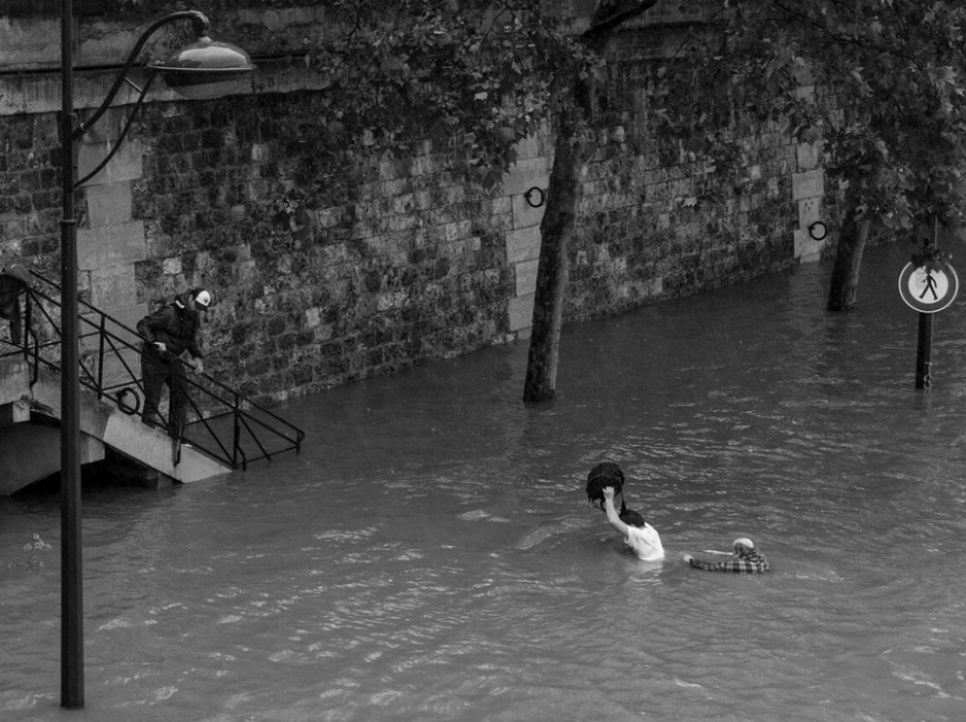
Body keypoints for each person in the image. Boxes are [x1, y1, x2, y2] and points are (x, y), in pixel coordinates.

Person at [136, 288, 210, 437]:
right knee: (152, 403)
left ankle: (175, 438)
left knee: (181, 396)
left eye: (201, 308)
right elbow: (143, 324)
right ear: (190, 298)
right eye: (197, 305)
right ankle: (146, 440)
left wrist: (197, 356)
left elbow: (190, 340)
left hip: (172, 358)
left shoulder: (194, 317)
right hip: (153, 360)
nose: (198, 310)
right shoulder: (169, 313)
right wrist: (154, 342)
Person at [601, 485, 665, 562]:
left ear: (632, 526)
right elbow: (616, 517)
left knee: (612, 553)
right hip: (659, 558)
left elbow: (613, 521)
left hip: (647, 565)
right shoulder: (648, 528)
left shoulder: (638, 534)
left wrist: (609, 498)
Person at [683, 538, 770, 573]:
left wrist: (690, 560)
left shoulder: (737, 564)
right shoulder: (761, 556)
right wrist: (722, 554)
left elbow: (709, 567)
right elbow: (739, 554)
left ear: (738, 552)